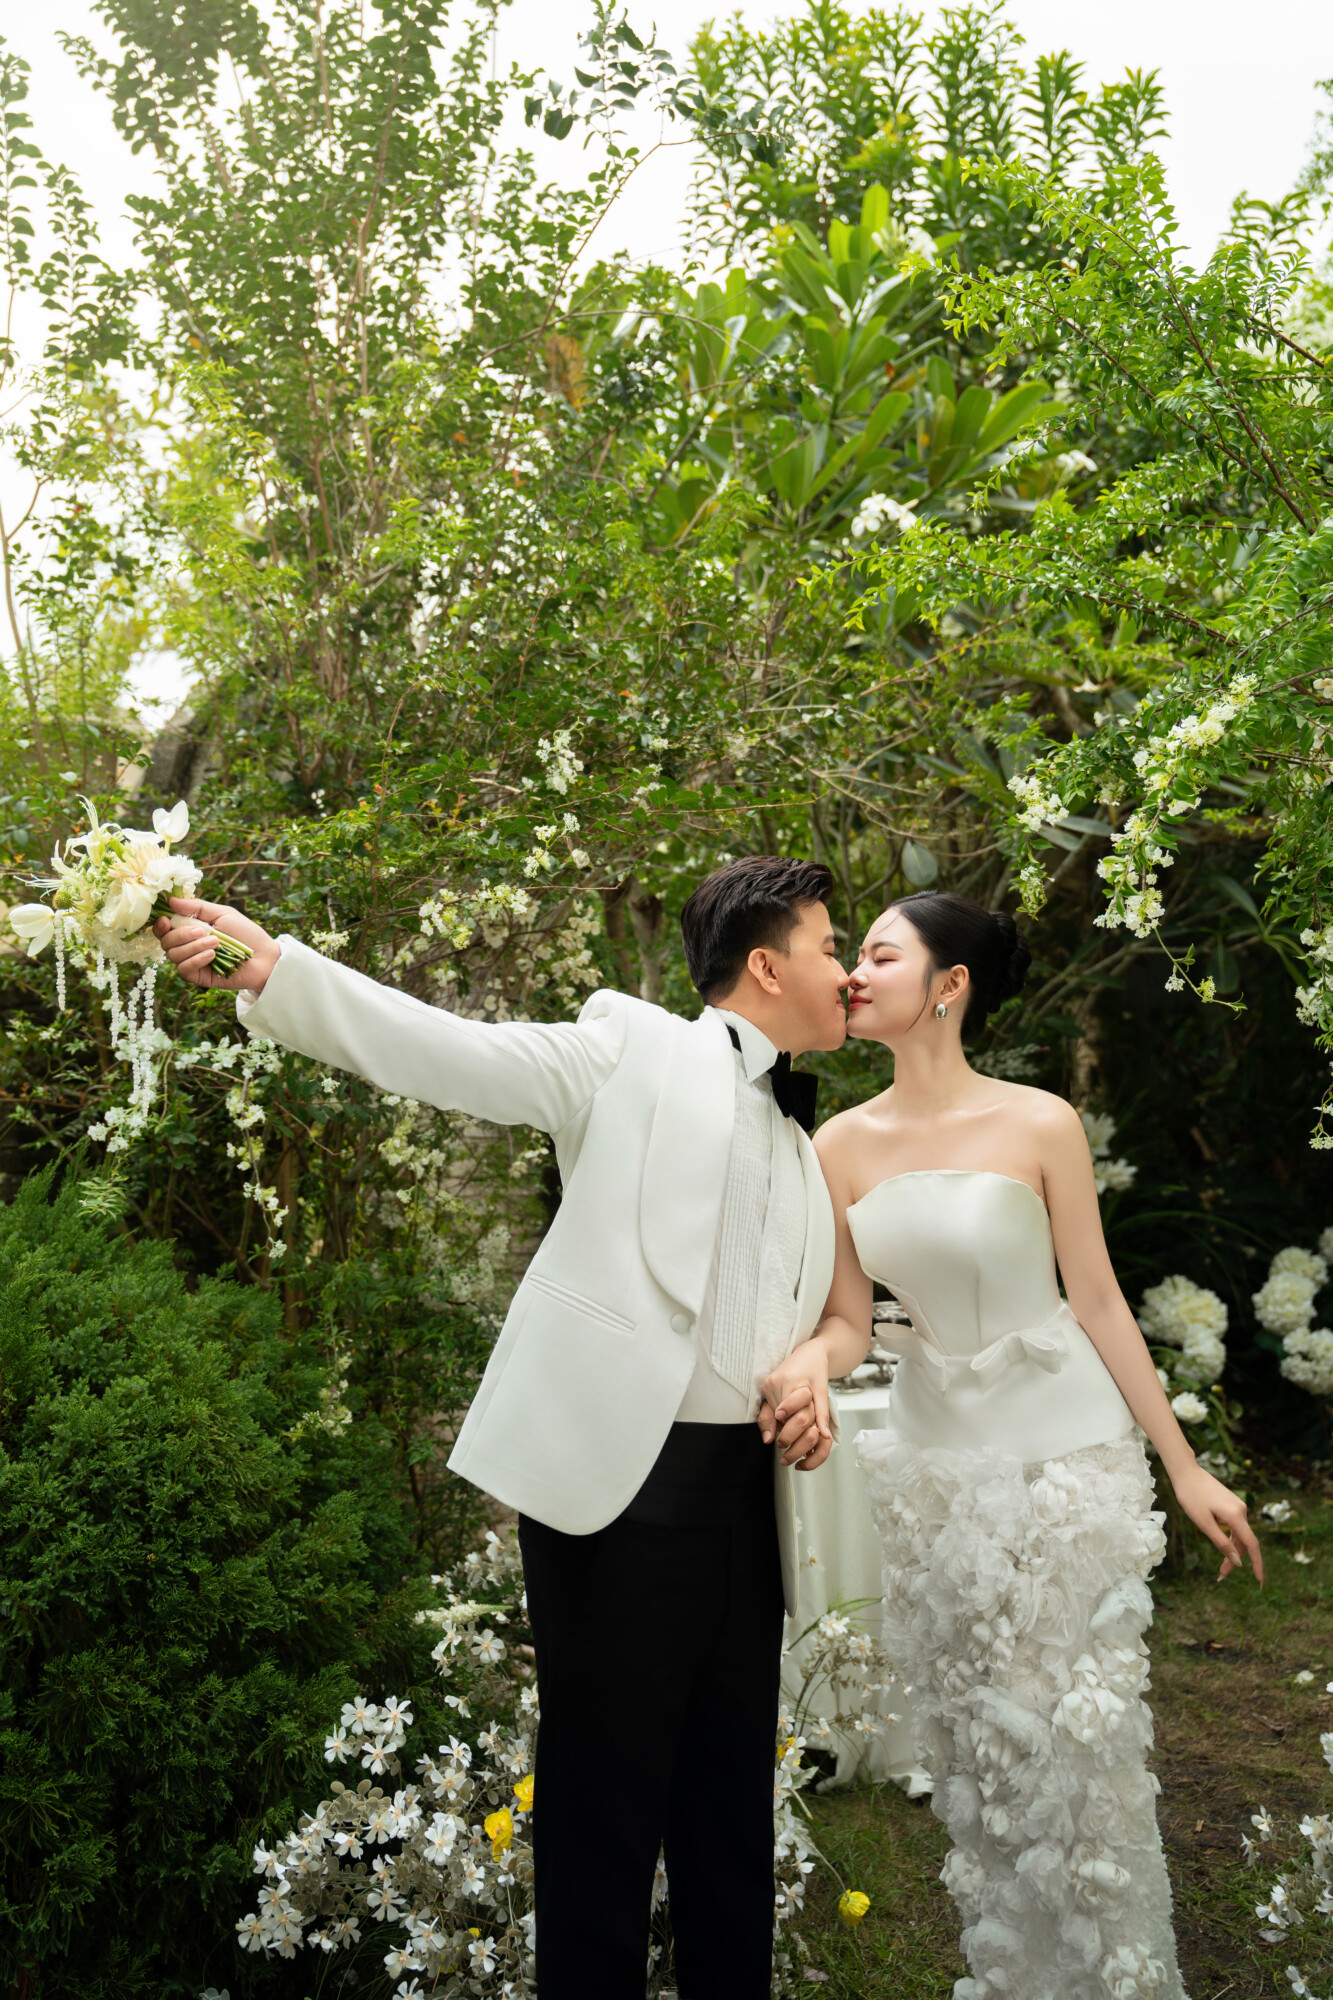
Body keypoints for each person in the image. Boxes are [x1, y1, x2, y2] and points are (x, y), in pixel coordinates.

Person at [155, 856, 848, 2000]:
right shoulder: (628, 1046)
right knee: (602, 1821)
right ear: (767, 966)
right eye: (831, 946)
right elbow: (450, 1049)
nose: (845, 970)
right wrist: (268, 965)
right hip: (621, 1501)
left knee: (731, 1815)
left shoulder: (800, 1141)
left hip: (748, 1502)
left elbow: (794, 1317)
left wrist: (804, 1376)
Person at [757, 890, 1262, 2000]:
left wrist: (1184, 1465)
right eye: (854, 955)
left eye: (879, 955)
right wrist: (803, 1368)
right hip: (934, 1473)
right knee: (979, 1769)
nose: (853, 974)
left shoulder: (1039, 1122)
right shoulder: (836, 1144)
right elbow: (849, 1322)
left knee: (1076, 1756)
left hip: (1064, 1461)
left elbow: (1099, 1299)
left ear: (949, 985)